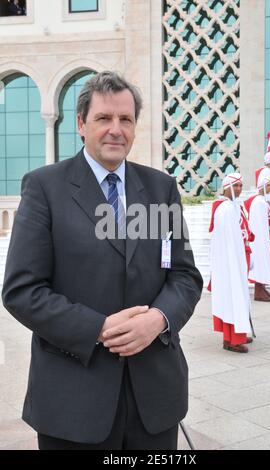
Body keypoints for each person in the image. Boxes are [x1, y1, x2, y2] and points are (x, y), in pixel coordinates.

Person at [2, 71, 203, 450]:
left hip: (154, 399)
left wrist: (157, 321)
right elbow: (21, 290)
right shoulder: (45, 188)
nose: (116, 130)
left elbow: (185, 276)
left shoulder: (161, 189)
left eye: (125, 119)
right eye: (104, 118)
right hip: (74, 399)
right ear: (81, 123)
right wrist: (98, 327)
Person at [209, 173, 253, 354]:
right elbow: (227, 241)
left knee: (237, 297)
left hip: (236, 259)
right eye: (235, 186)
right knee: (232, 298)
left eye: (241, 186)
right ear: (226, 188)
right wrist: (236, 262)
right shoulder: (226, 209)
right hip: (230, 262)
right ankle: (232, 340)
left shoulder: (234, 207)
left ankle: (238, 334)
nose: (238, 189)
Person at [244, 169, 270, 302]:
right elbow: (257, 225)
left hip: (264, 238)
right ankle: (259, 291)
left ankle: (262, 288)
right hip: (259, 240)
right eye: (268, 185)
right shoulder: (259, 202)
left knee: (264, 263)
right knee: (261, 263)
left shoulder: (261, 201)